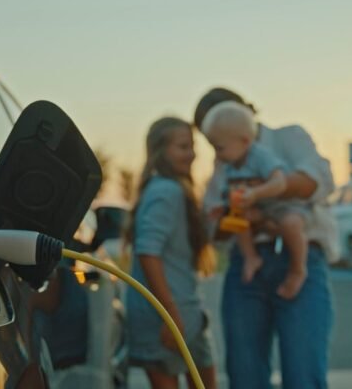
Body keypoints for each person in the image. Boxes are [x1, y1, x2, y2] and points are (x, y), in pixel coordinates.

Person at [195, 87, 337, 389]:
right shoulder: (224, 162)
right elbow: (214, 226)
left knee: (303, 374)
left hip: (299, 257)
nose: (217, 151)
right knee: (244, 374)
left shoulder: (289, 137)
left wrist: (257, 194)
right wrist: (241, 214)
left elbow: (319, 181)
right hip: (248, 266)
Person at [124, 117, 217, 389]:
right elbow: (147, 252)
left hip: (188, 313)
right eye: (183, 147)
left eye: (192, 146)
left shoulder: (175, 190)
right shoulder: (166, 191)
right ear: (160, 151)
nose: (192, 154)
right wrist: (170, 314)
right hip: (166, 317)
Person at [201, 101, 310, 299]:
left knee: (291, 224)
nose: (217, 155)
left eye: (220, 148)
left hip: (283, 206)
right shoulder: (230, 163)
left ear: (244, 141)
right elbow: (228, 194)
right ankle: (251, 257)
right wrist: (222, 208)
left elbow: (280, 183)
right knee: (240, 220)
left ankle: (297, 269)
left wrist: (255, 193)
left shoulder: (261, 155)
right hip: (259, 209)